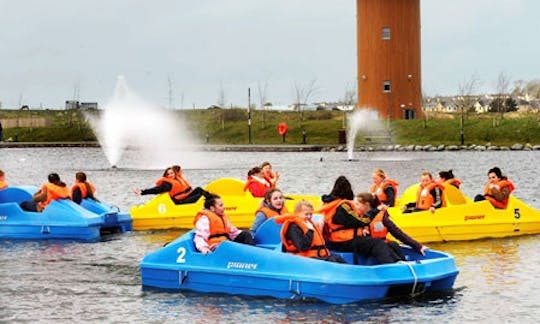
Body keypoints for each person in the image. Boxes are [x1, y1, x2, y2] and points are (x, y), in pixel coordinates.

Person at [318, 175, 403, 264]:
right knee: (377, 243)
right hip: (342, 242)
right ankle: (391, 267)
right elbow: (362, 221)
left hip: (337, 240)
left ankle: (398, 262)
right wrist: (376, 211)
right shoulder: (343, 207)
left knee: (388, 244)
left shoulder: (331, 204)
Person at [356, 192, 427, 259]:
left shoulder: (382, 217)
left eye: (357, 204)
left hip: (380, 248)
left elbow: (398, 233)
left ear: (367, 204)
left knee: (393, 245)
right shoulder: (354, 218)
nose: (355, 207)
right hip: (365, 250)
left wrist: (417, 246)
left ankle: (401, 264)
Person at [275, 200, 346, 263]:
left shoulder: (308, 223)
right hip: (305, 259)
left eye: (311, 214)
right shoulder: (293, 227)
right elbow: (303, 246)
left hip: (318, 255)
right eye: (306, 214)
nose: (309, 217)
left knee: (338, 258)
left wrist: (322, 229)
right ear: (297, 213)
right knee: (331, 261)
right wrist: (310, 231)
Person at [135, 166, 209, 205]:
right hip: (179, 202)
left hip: (184, 197)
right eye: (168, 174)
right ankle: (213, 203)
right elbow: (156, 190)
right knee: (201, 195)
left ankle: (215, 200)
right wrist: (143, 192)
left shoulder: (177, 179)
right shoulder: (167, 184)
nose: (170, 175)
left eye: (172, 173)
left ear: (175, 173)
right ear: (166, 175)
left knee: (199, 189)